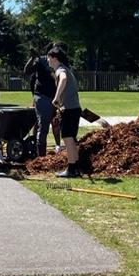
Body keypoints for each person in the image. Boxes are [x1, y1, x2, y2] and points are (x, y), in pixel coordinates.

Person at [47, 44, 81, 177]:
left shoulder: (60, 70)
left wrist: (56, 98)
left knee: (67, 138)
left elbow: (63, 79)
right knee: (71, 138)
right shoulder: (66, 68)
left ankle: (71, 169)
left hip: (69, 109)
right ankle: (75, 167)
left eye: (49, 58)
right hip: (74, 108)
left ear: (54, 58)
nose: (47, 60)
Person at [24, 47, 58, 156]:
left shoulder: (61, 64)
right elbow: (27, 71)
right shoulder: (41, 60)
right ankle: (41, 155)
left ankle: (58, 146)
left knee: (57, 123)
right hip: (43, 96)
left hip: (57, 96)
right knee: (43, 125)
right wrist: (32, 58)